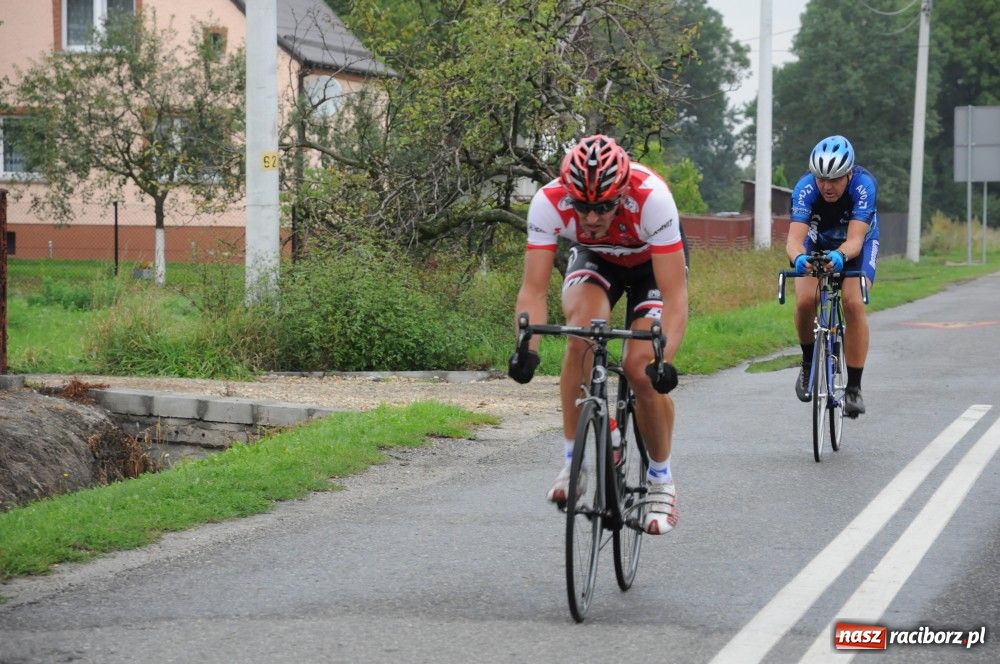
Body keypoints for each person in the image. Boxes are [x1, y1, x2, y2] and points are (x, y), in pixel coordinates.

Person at [507, 134, 688, 535]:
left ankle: (661, 480)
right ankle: (576, 462)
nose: (591, 218)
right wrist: (527, 347)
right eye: (583, 206)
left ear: (622, 193)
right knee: (580, 335)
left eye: (603, 206)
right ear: (568, 195)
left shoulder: (652, 198)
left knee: (640, 370)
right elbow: (533, 289)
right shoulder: (548, 201)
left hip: (650, 268)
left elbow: (675, 298)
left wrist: (665, 360)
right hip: (597, 261)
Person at [786, 135, 880, 418]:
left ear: (849, 174)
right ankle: (807, 363)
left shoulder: (864, 186)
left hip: (857, 243)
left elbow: (854, 241)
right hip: (818, 242)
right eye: (821, 179)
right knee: (804, 301)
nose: (827, 186)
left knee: (853, 302)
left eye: (836, 179)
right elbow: (793, 241)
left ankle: (853, 387)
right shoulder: (805, 189)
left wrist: (840, 256)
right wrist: (799, 258)